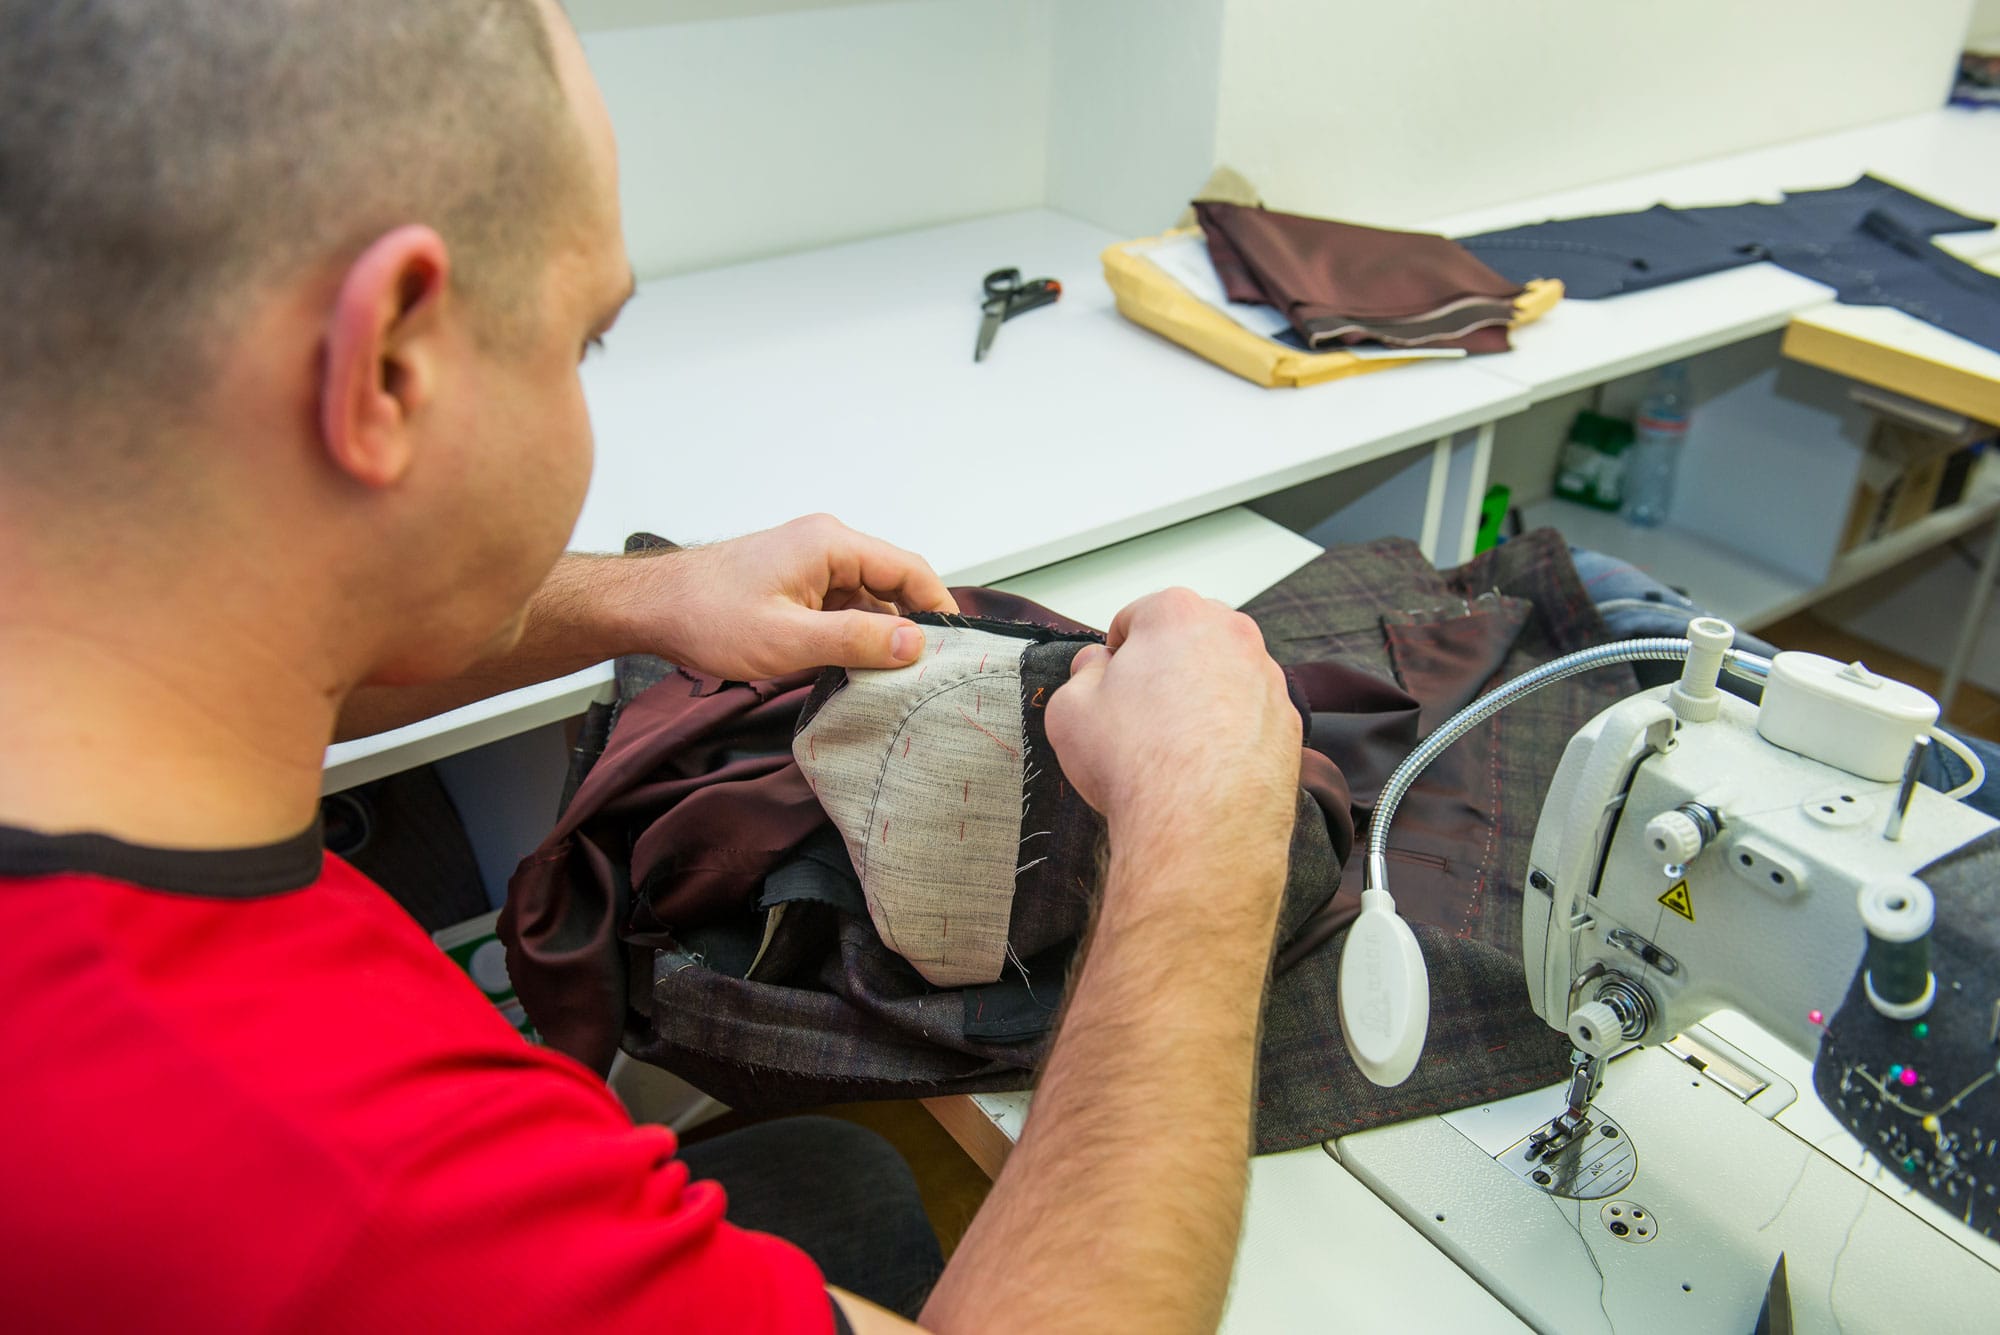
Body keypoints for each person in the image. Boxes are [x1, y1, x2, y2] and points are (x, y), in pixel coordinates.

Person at [0, 2, 1305, 1331]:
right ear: (388, 364)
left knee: (837, 1178)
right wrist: (1199, 831)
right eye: (585, 341)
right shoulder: (333, 1170)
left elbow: (248, 625)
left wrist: (646, 596)